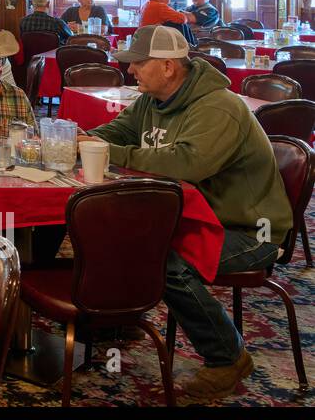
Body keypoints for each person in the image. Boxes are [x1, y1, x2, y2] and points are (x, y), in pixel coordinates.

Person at [82, 26, 290, 400]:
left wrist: (108, 152)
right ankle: (125, 316)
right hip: (195, 218)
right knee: (115, 232)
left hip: (250, 228)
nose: (130, 71)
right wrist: (82, 141)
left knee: (167, 262)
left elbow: (187, 164)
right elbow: (116, 131)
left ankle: (227, 357)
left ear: (167, 66)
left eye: (138, 64)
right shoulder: (152, 100)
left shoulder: (219, 107)